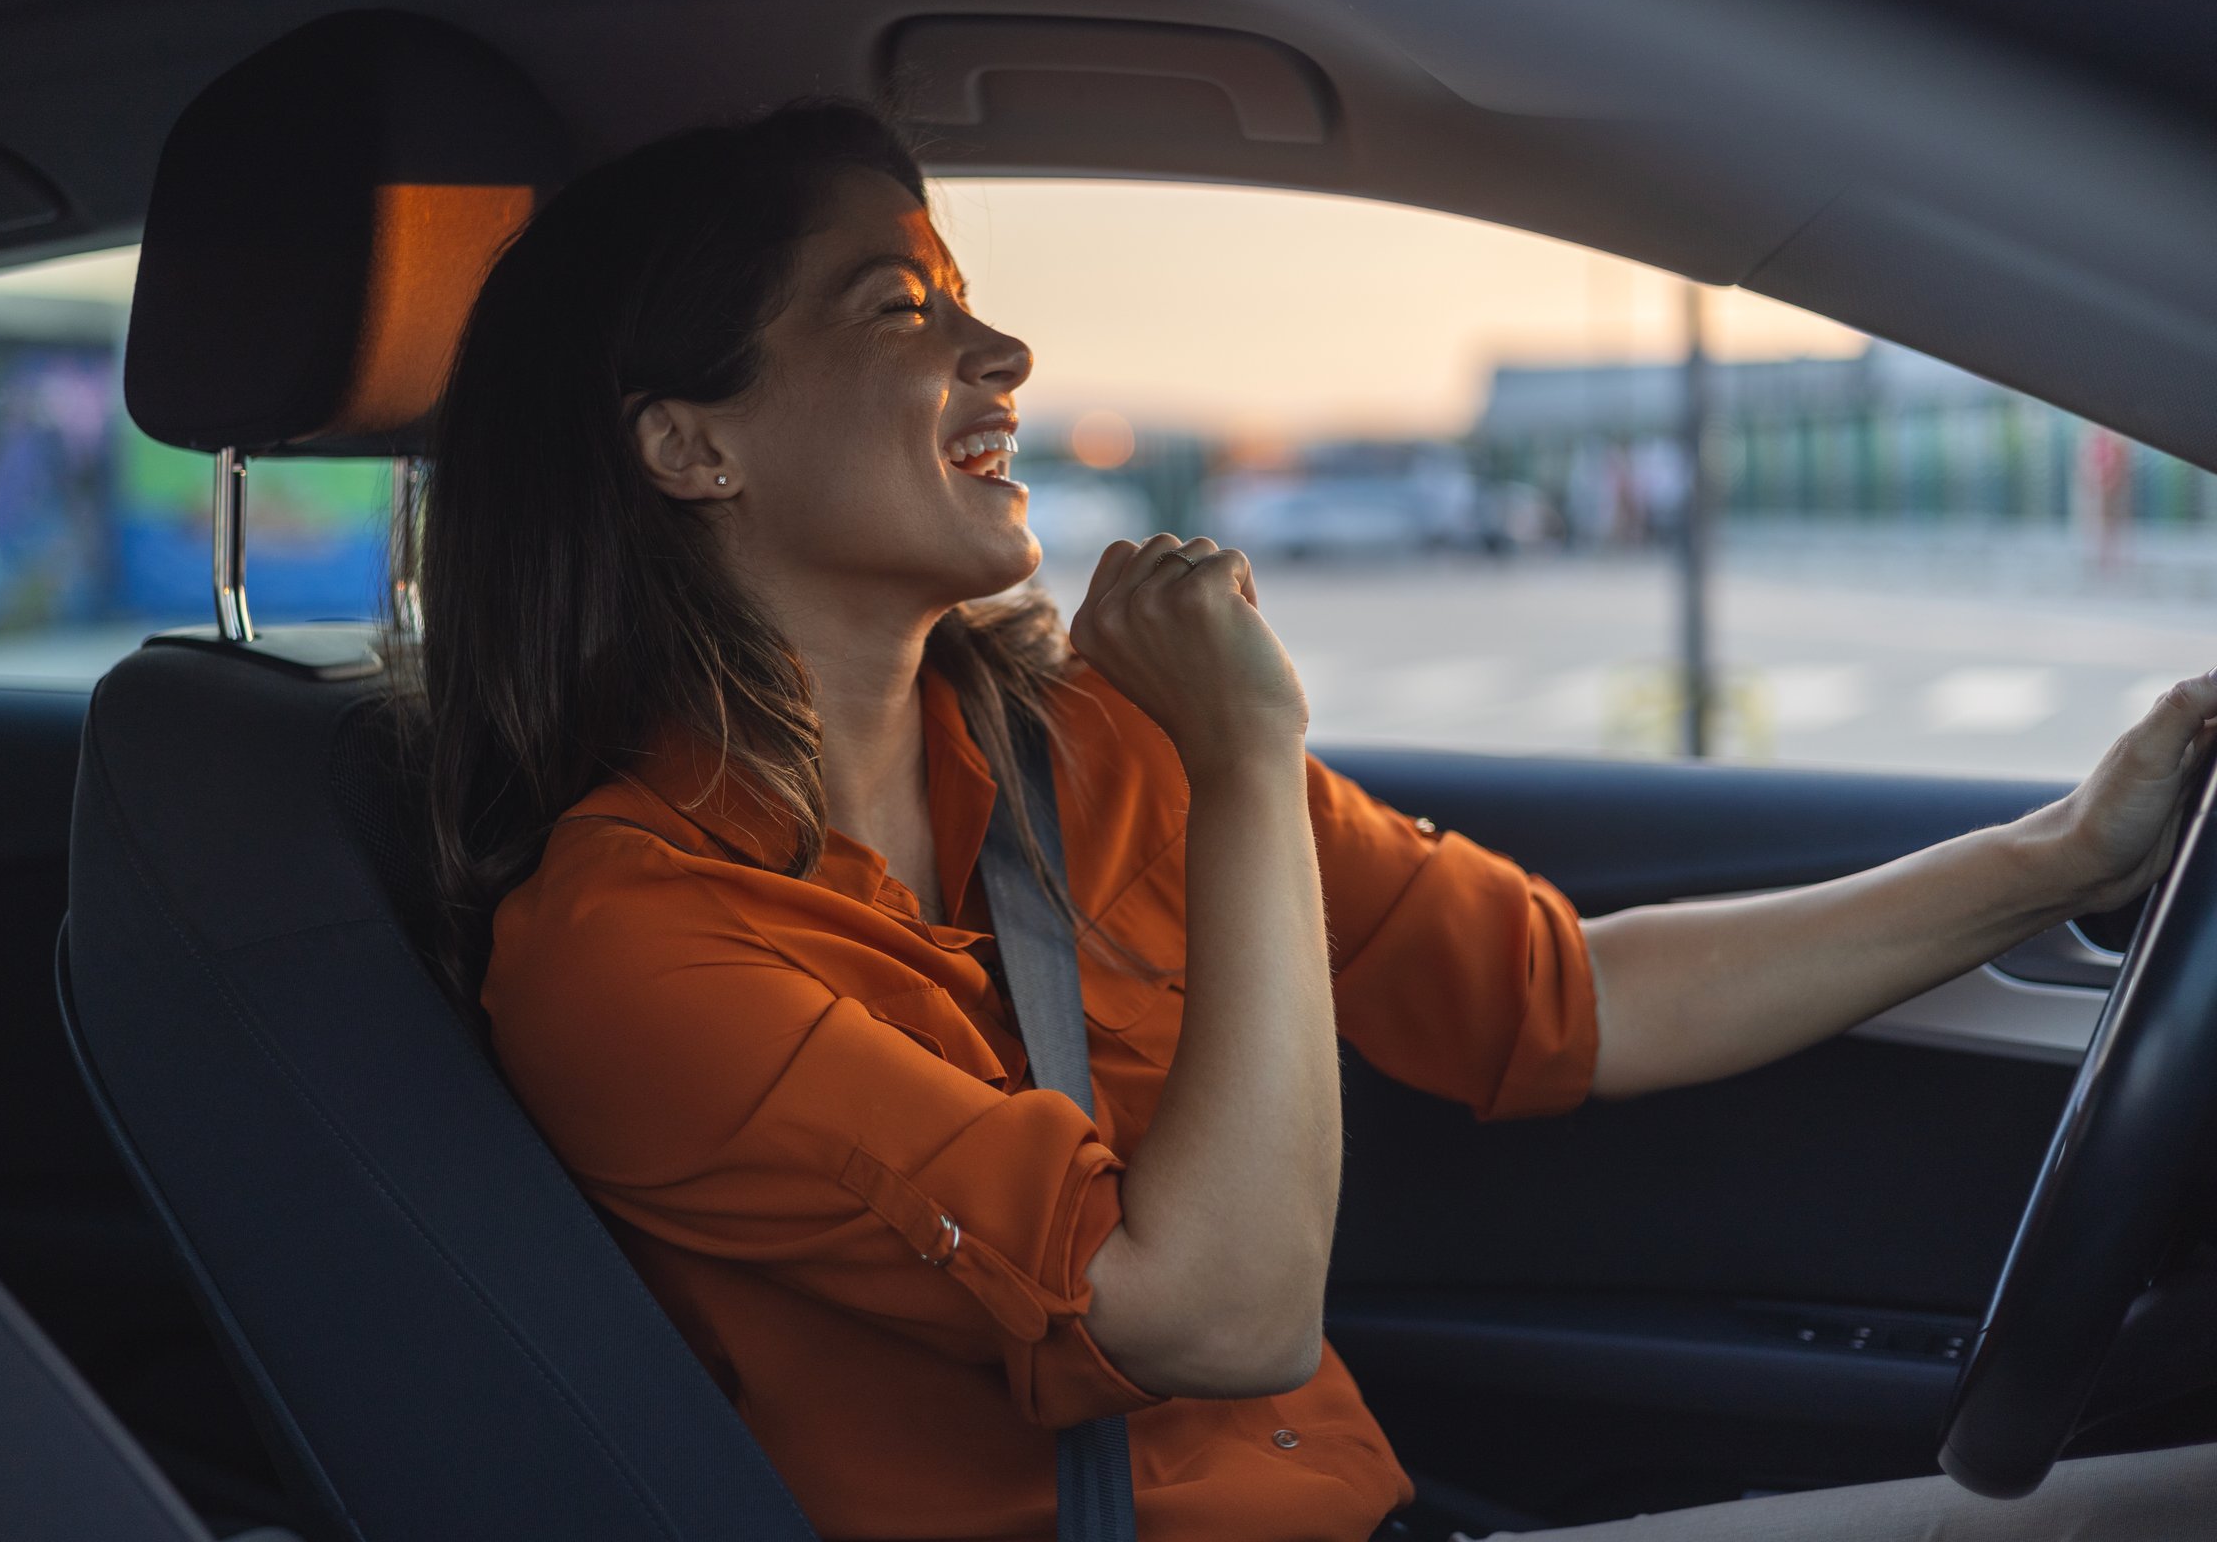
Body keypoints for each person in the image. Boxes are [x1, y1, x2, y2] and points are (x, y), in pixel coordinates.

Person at [403, 101, 2217, 1541]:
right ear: (689, 447)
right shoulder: (634, 949)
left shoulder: (1086, 747)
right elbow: (1215, 1313)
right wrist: (1250, 761)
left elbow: (1559, 1001)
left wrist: (2065, 852)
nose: (1004, 348)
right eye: (904, 306)